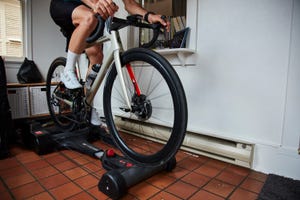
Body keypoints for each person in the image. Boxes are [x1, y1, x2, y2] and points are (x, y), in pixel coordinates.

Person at [50, 0, 169, 125]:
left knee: (96, 55)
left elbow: (130, 4)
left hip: (92, 11)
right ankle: (68, 71)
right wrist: (94, 4)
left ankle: (87, 107)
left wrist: (149, 16)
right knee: (89, 17)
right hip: (65, 4)